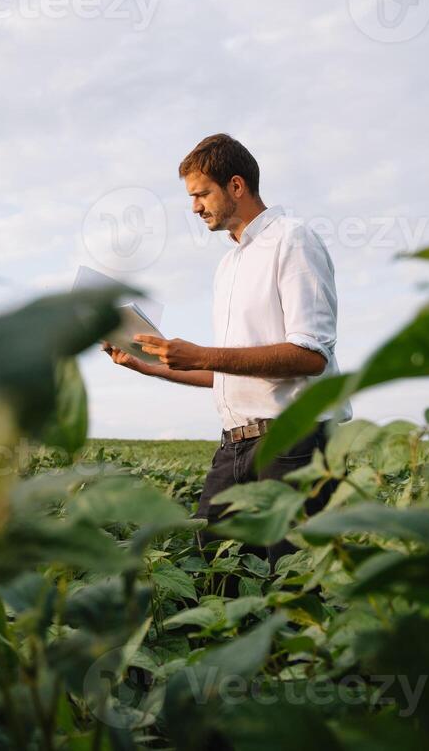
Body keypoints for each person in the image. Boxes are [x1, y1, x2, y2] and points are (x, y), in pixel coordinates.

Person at [101, 133, 349, 564]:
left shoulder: (293, 240)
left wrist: (201, 353)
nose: (195, 207)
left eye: (201, 194)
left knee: (290, 585)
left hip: (295, 445)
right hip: (235, 445)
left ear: (236, 186)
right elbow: (233, 370)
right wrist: (151, 366)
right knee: (213, 572)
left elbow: (310, 356)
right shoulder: (229, 264)